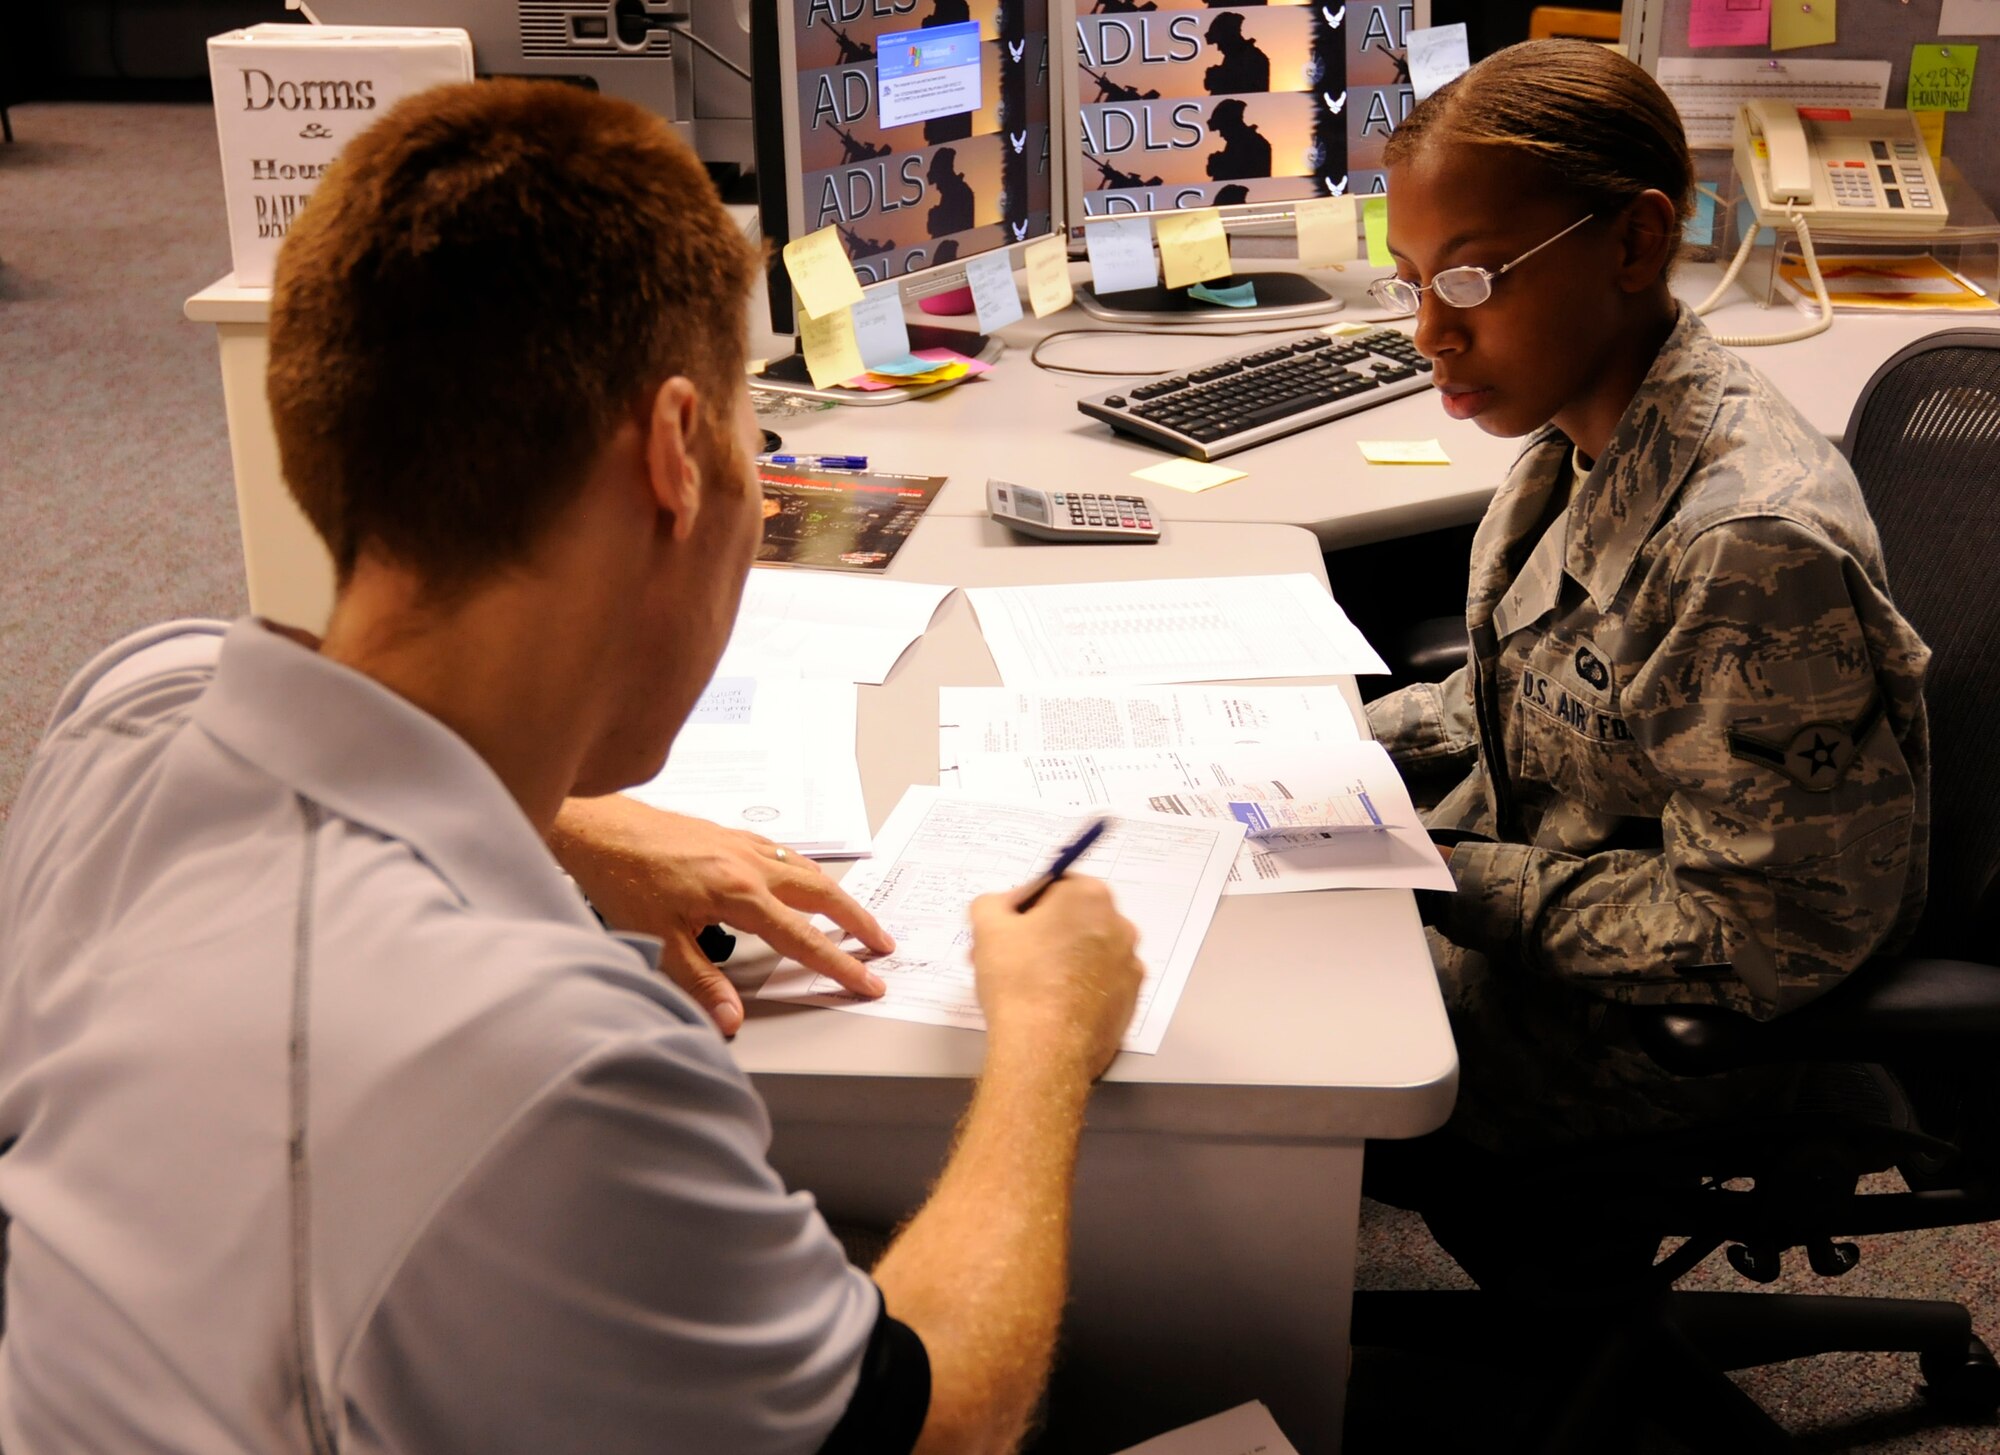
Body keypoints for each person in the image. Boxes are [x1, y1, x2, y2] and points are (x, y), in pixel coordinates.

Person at [0, 81, 1144, 1454]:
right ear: (675, 454)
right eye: (755, 441)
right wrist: (1048, 1034)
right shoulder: (561, 1062)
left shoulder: (125, 704)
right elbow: (940, 1423)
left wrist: (569, 822)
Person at [1361, 41, 1930, 1156]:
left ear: (1633, 242)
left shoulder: (1742, 548)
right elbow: (1542, 697)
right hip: (1528, 931)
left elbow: (1768, 929)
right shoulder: (1589, 434)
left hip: (1623, 1048)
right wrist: (1327, 753)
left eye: (1472, 280)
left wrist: (1436, 877)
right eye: (1412, 282)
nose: (1430, 333)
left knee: (1201, 1042)